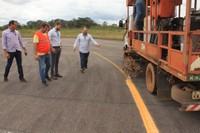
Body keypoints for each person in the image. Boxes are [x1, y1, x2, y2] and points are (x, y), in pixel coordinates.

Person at [33, 23, 53, 87]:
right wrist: (36, 54)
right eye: (46, 28)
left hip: (47, 53)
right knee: (42, 68)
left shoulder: (46, 34)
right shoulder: (37, 34)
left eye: (47, 29)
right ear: (42, 27)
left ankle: (46, 75)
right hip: (41, 55)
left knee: (49, 65)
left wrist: (51, 49)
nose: (47, 30)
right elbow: (35, 45)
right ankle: (43, 80)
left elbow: (48, 43)